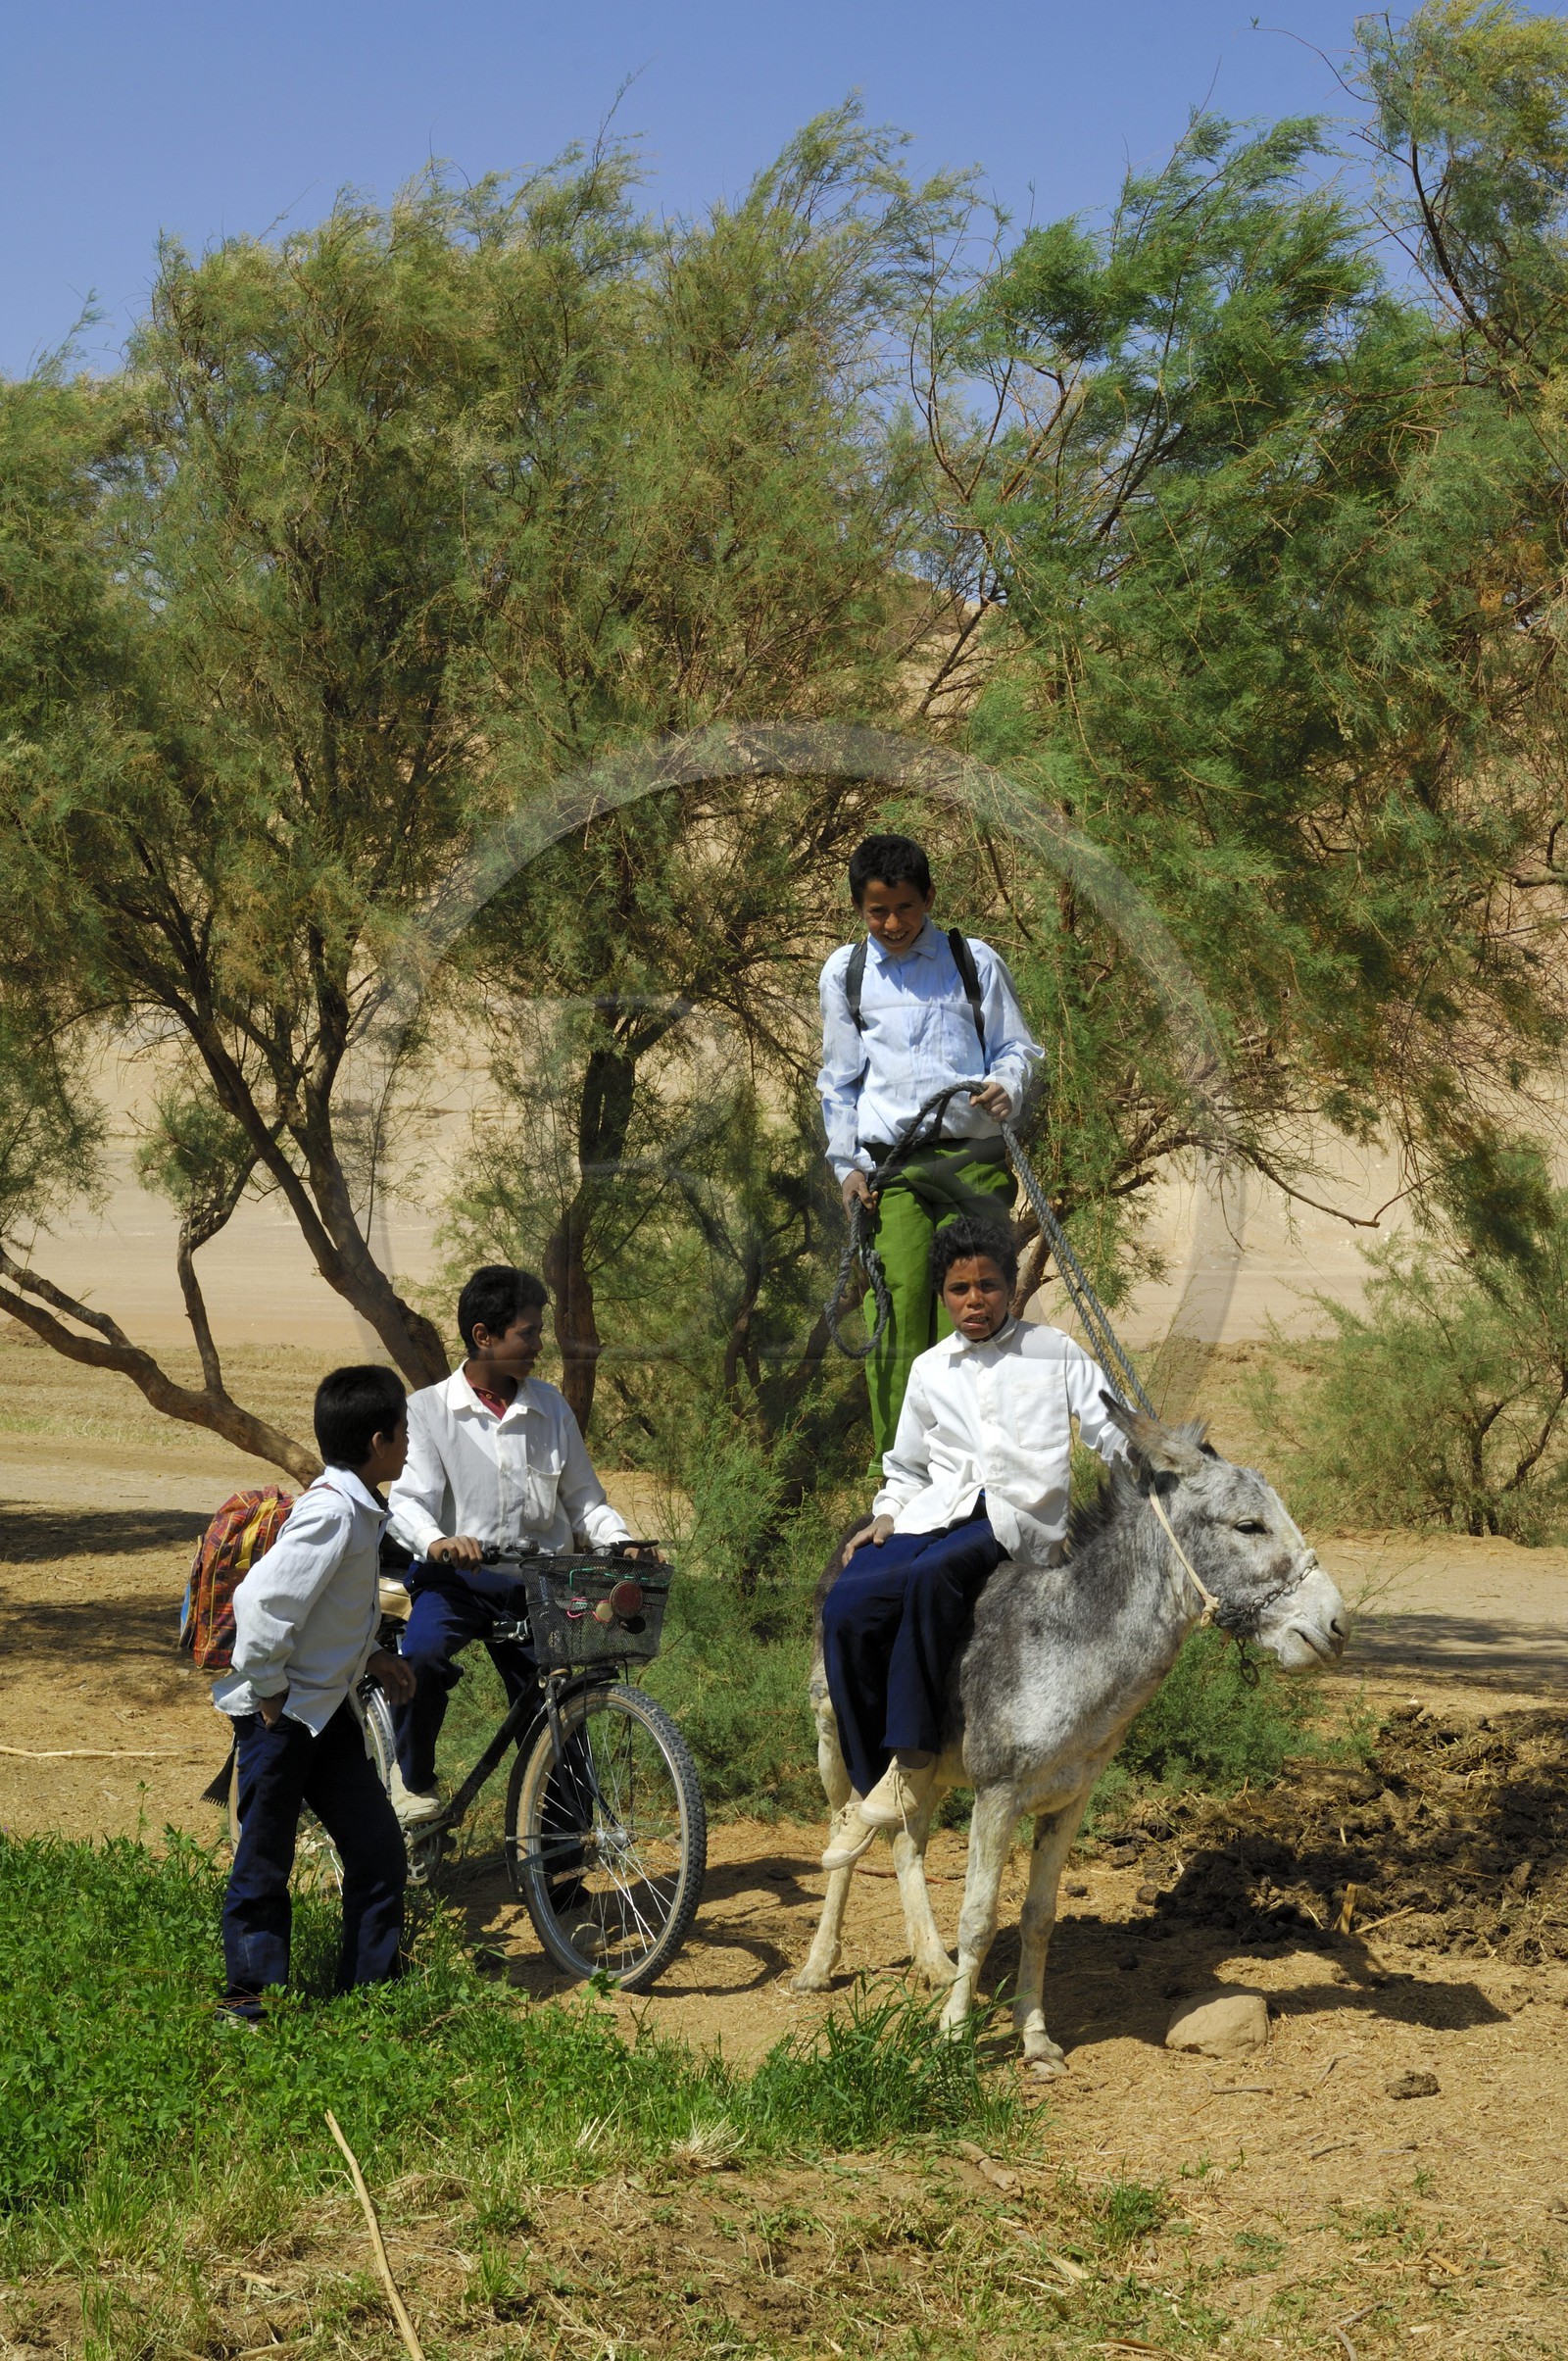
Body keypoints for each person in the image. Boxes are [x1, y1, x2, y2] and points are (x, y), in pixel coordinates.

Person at [819, 1215, 1128, 1869]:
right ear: (943, 1294)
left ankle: (914, 1761)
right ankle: (870, 1779)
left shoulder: (1054, 1352)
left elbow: (1108, 1427)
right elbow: (904, 1467)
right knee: (849, 1599)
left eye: (988, 1284)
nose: (975, 1300)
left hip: (1017, 1519)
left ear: (1010, 1286)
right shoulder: (932, 1369)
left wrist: (1154, 1458)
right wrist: (887, 1512)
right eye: (960, 1289)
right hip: (940, 1510)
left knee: (934, 1578)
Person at [817, 832, 1041, 1458]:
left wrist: (1007, 1086)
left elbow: (1016, 1049)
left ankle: (975, 1470)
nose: (893, 923)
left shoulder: (973, 961)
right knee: (897, 1311)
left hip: (975, 1165)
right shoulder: (847, 973)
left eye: (906, 908)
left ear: (929, 899)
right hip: (889, 1172)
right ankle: (900, 1476)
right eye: (877, 911)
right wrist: (846, 1168)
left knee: (973, 1314)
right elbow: (839, 1082)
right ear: (859, 908)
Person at [384, 1263, 633, 1823]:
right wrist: (441, 1542)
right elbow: (407, 1502)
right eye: (528, 1333)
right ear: (484, 1336)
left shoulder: (551, 1409)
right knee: (421, 1655)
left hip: (538, 1591)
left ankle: (562, 1877)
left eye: (539, 1331)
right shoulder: (427, 1410)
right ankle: (412, 1779)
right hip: (457, 1584)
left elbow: (585, 1502)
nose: (539, 1345)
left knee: (557, 1722)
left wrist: (620, 1541)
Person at [214, 1363, 416, 2025]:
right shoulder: (333, 1512)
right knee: (265, 1859)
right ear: (379, 1441)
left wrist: (373, 1656)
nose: (409, 1440)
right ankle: (248, 2003)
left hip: (325, 1713)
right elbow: (262, 1603)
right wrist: (269, 1690)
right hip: (282, 1717)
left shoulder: (357, 1505)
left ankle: (368, 1992)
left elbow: (329, 1611)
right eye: (404, 1429)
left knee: (378, 1847)